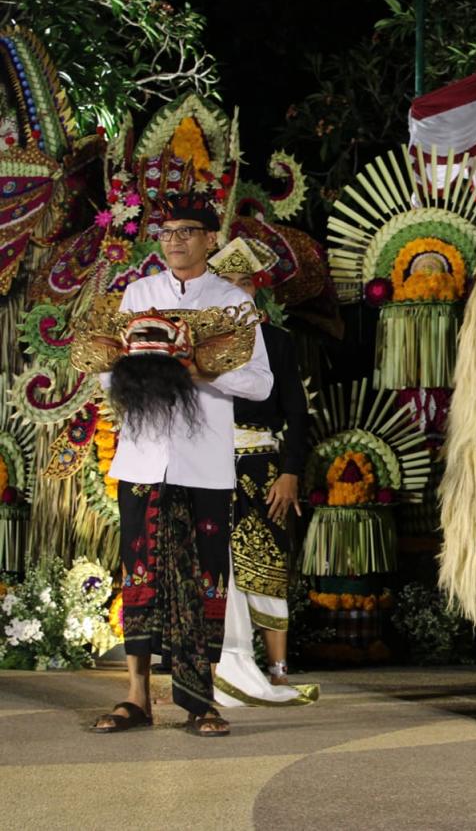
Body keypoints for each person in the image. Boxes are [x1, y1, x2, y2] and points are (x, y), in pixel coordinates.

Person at [91, 195, 273, 736]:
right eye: (166, 231)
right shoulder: (137, 294)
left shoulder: (232, 303)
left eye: (187, 231)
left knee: (205, 578)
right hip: (143, 457)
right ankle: (136, 698)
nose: (174, 240)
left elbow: (261, 383)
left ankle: (201, 701)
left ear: (211, 238)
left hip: (205, 463)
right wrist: (139, 370)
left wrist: (200, 372)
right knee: (141, 573)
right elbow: (107, 374)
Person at [208, 241, 317, 707]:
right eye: (226, 284)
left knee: (269, 566)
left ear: (256, 289)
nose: (235, 291)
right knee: (212, 567)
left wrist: (290, 471)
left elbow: (298, 412)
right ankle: (213, 667)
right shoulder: (198, 344)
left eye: (244, 283)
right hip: (206, 466)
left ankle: (276, 672)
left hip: (262, 467)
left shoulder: (277, 343)